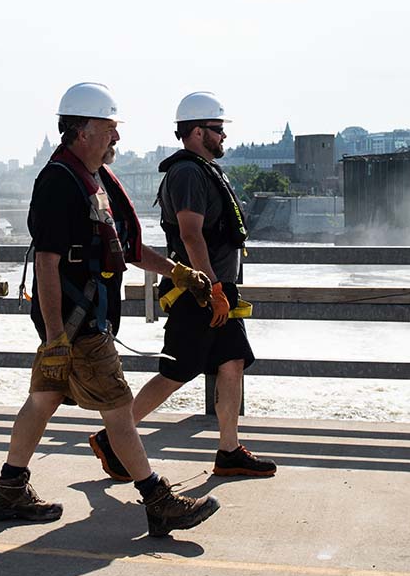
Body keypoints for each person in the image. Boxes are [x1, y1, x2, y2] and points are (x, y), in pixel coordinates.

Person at [0, 82, 221, 537]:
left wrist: (179, 273)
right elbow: (49, 266)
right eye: (110, 128)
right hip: (77, 321)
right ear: (83, 130)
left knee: (45, 398)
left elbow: (127, 246)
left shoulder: (98, 178)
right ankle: (158, 500)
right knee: (118, 406)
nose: (117, 138)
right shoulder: (58, 182)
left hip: (79, 318)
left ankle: (10, 487)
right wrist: (56, 337)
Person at [89, 91, 278, 482]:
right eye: (216, 129)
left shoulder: (204, 168)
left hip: (216, 288)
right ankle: (112, 438)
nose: (222, 136)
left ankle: (228, 450)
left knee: (232, 362)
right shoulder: (189, 173)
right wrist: (212, 289)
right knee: (177, 370)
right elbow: (192, 236)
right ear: (195, 132)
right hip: (201, 291)